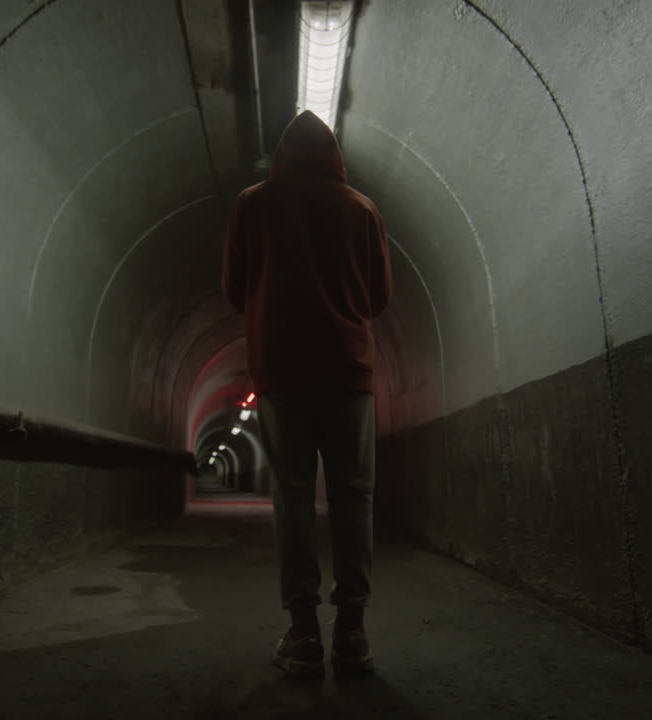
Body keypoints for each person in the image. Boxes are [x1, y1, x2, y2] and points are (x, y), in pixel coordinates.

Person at [221, 110, 392, 679]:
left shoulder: (252, 204)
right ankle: (353, 631)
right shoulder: (362, 209)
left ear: (281, 155)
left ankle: (302, 632)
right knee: (352, 496)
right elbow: (379, 295)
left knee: (292, 496)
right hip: (348, 373)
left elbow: (234, 287)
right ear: (336, 156)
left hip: (282, 373)